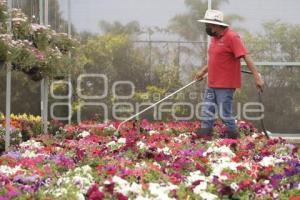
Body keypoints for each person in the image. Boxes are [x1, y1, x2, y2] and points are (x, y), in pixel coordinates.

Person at [194, 10, 264, 139]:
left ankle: (232, 134)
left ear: (215, 25)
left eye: (208, 25)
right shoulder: (214, 39)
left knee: (224, 112)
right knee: (207, 109)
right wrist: (203, 72)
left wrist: (257, 77)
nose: (207, 28)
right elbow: (215, 60)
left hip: (226, 84)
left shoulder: (232, 37)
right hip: (212, 83)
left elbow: (246, 57)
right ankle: (205, 132)